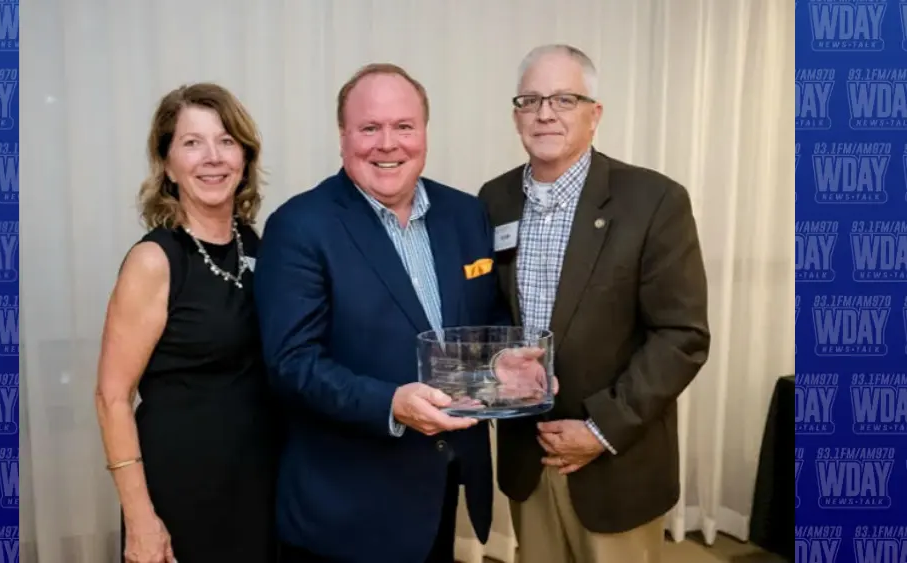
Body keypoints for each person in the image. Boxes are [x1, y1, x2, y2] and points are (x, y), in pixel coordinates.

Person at [253, 63, 500, 563]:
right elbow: (292, 363)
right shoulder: (299, 226)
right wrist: (391, 404)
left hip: (440, 487)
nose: (388, 144)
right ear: (343, 136)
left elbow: (478, 328)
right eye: (370, 128)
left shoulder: (466, 214)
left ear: (424, 132)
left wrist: (503, 366)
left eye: (403, 126)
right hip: (346, 510)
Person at [478, 45, 712, 563]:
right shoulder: (492, 201)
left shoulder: (653, 201)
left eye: (564, 98)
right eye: (531, 99)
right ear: (516, 113)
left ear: (594, 113)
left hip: (614, 461)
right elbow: (489, 313)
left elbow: (681, 335)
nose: (545, 113)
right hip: (527, 456)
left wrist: (601, 429)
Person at [94, 83, 280, 563]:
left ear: (245, 156)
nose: (212, 158)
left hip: (257, 483)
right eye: (192, 143)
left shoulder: (258, 245)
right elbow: (112, 398)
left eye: (226, 140)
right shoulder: (154, 260)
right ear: (167, 163)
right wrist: (140, 520)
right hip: (180, 494)